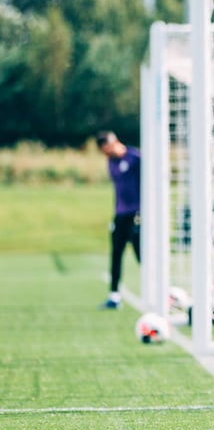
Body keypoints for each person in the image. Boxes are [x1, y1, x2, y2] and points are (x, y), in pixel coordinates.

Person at [96, 131, 141, 309]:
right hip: (120, 215)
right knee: (116, 254)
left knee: (141, 255)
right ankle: (114, 296)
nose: (106, 154)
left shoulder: (135, 158)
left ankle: (161, 292)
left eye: (107, 149)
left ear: (115, 143)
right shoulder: (111, 162)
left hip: (136, 214)